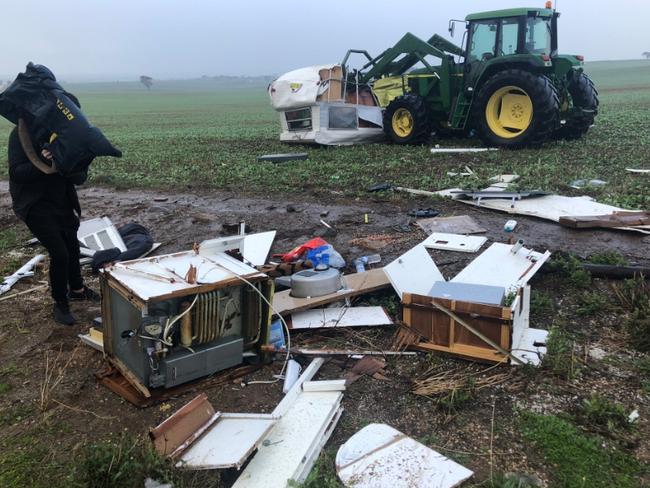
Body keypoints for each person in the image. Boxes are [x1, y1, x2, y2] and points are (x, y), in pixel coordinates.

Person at [8, 117, 99, 325]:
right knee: (60, 253)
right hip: (35, 204)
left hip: (62, 200)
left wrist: (75, 162)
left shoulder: (67, 137)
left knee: (72, 246)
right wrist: (41, 160)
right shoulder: (22, 135)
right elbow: (16, 173)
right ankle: (60, 303)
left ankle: (77, 289)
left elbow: (79, 177)